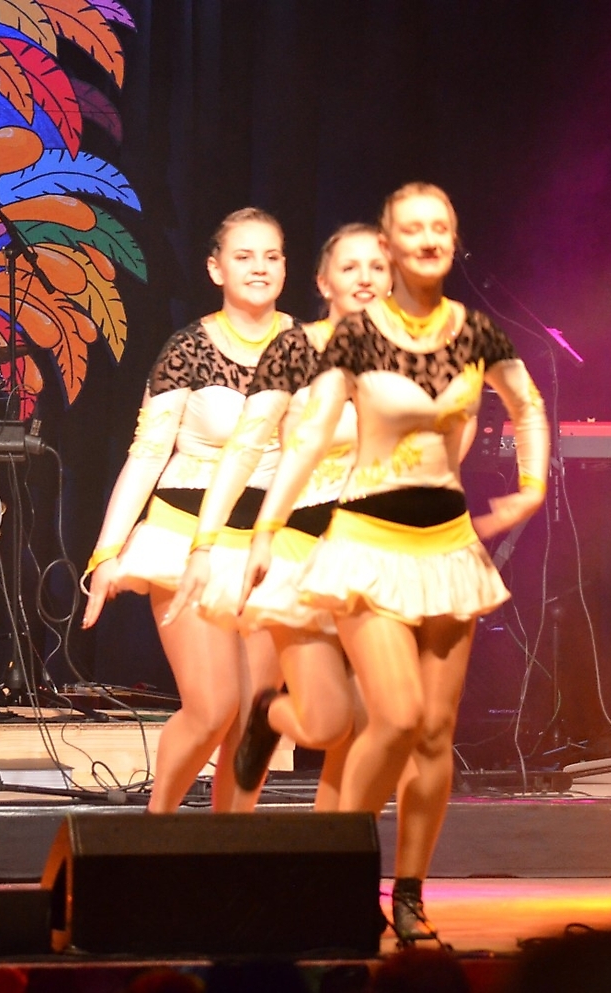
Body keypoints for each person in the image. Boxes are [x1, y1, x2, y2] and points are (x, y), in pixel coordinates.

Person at [240, 183, 550, 944]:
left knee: (436, 734)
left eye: (441, 225)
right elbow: (311, 437)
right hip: (366, 546)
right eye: (413, 228)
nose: (429, 238)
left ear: (454, 236)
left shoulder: (475, 332)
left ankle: (408, 895)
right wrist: (266, 527)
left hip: (447, 550)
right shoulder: (356, 336)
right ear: (390, 241)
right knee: (399, 717)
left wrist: (531, 486)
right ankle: (338, 874)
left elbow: (527, 405)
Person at [168, 224, 391, 812]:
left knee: (377, 722)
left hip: (378, 549)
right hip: (304, 546)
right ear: (322, 281)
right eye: (350, 268)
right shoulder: (296, 350)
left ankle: (335, 855)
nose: (365, 280)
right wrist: (206, 543)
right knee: (328, 722)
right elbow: (246, 450)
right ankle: (265, 720)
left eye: (378, 268)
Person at [82, 207, 290, 812]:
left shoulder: (307, 347)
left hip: (268, 549)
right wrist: (107, 552)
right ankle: (159, 831)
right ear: (215, 268)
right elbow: (146, 454)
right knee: (213, 708)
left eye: (271, 256)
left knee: (254, 721)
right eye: (244, 256)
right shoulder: (188, 349)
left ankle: (231, 847)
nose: (259, 267)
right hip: (185, 540)